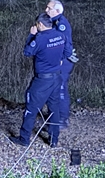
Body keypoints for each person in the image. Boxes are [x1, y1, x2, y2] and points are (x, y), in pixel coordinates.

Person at [10, 12, 67, 147]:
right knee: (54, 108)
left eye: (37, 25)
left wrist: (32, 35)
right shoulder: (61, 35)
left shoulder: (40, 38)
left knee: (31, 108)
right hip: (57, 77)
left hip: (42, 80)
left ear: (40, 24)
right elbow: (66, 52)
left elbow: (27, 52)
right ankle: (54, 139)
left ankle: (24, 138)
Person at [45, 0, 76, 136]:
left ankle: (62, 119)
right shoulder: (52, 22)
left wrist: (60, 60)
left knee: (60, 89)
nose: (46, 10)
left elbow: (63, 44)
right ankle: (55, 116)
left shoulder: (61, 24)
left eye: (49, 8)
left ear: (57, 11)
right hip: (56, 61)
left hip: (62, 62)